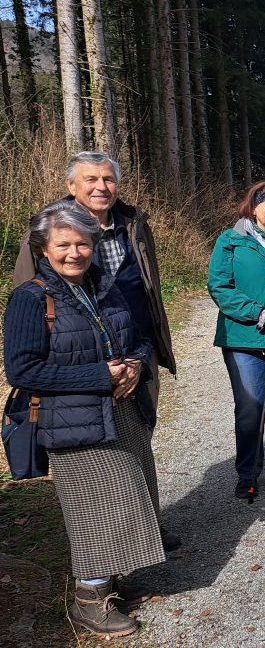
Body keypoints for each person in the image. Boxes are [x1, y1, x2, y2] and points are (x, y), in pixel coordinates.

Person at [4, 200, 164, 637]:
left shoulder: (103, 287)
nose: (74, 253)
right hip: (71, 418)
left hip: (120, 411)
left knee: (129, 493)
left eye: (82, 244)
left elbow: (138, 336)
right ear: (42, 248)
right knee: (94, 509)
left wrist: (135, 363)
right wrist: (98, 374)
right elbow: (22, 369)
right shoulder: (31, 298)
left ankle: (113, 581)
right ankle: (88, 602)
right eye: (64, 245)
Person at [12, 150, 180, 551]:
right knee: (99, 457)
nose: (101, 187)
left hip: (135, 346)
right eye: (90, 180)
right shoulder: (50, 228)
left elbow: (148, 285)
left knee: (138, 439)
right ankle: (108, 550)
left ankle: (145, 529)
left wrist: (144, 355)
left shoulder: (132, 223)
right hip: (77, 356)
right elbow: (28, 288)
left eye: (108, 179)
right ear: (72, 187)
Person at [207, 179, 265, 500]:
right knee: (250, 408)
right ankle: (248, 472)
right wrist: (260, 313)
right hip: (244, 338)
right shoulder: (231, 240)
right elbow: (220, 286)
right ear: (253, 207)